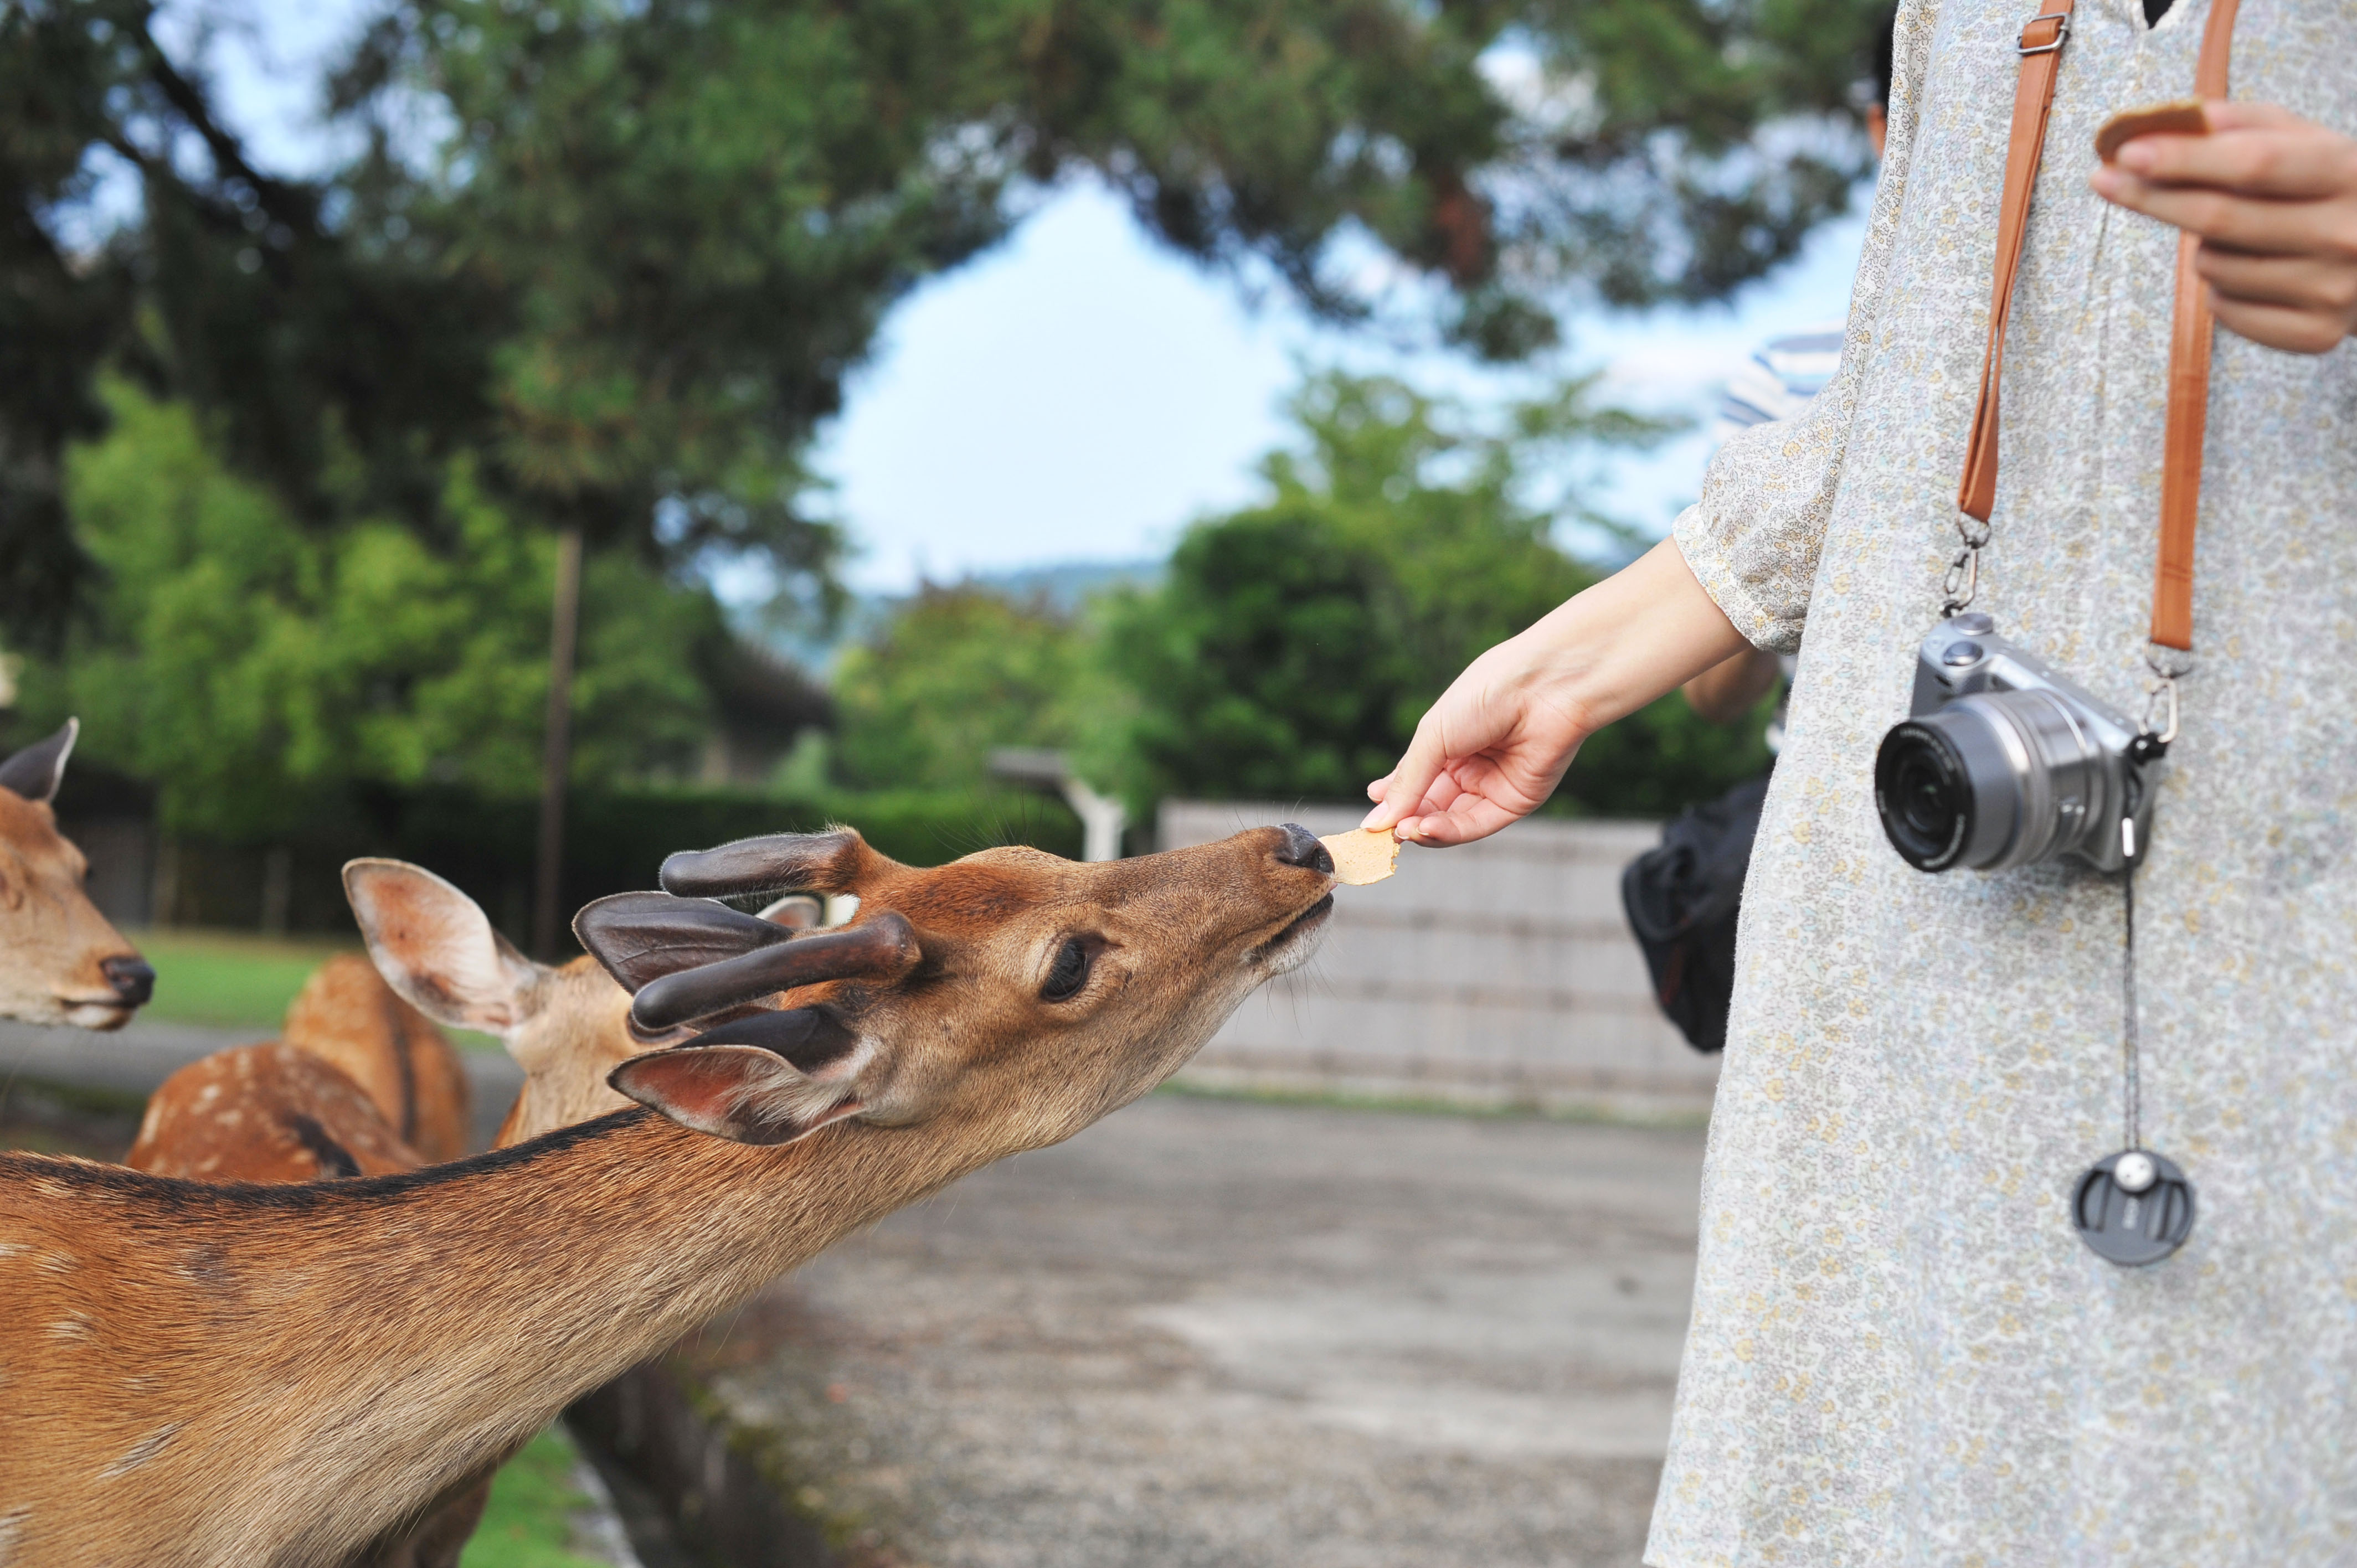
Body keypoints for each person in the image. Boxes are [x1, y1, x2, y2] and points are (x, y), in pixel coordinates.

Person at [1361, 0, 2357, 1559]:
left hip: (2300, 864)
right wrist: (1571, 661)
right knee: (1879, 1423)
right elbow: (1903, 376)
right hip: (1908, 896)